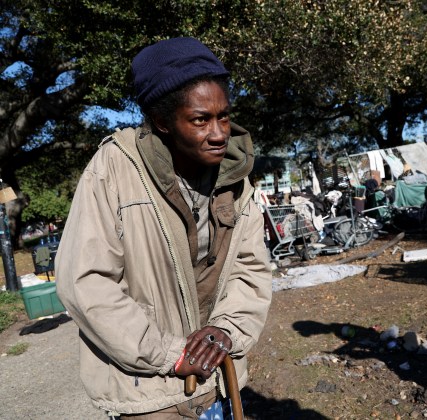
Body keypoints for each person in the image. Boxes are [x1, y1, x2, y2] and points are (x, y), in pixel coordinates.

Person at [56, 37, 273, 419]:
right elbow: (86, 281)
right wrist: (171, 354)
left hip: (222, 378)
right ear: (162, 122)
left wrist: (226, 331)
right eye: (200, 119)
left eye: (224, 116)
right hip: (149, 393)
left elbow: (250, 268)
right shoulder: (114, 169)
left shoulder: (237, 178)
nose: (220, 132)